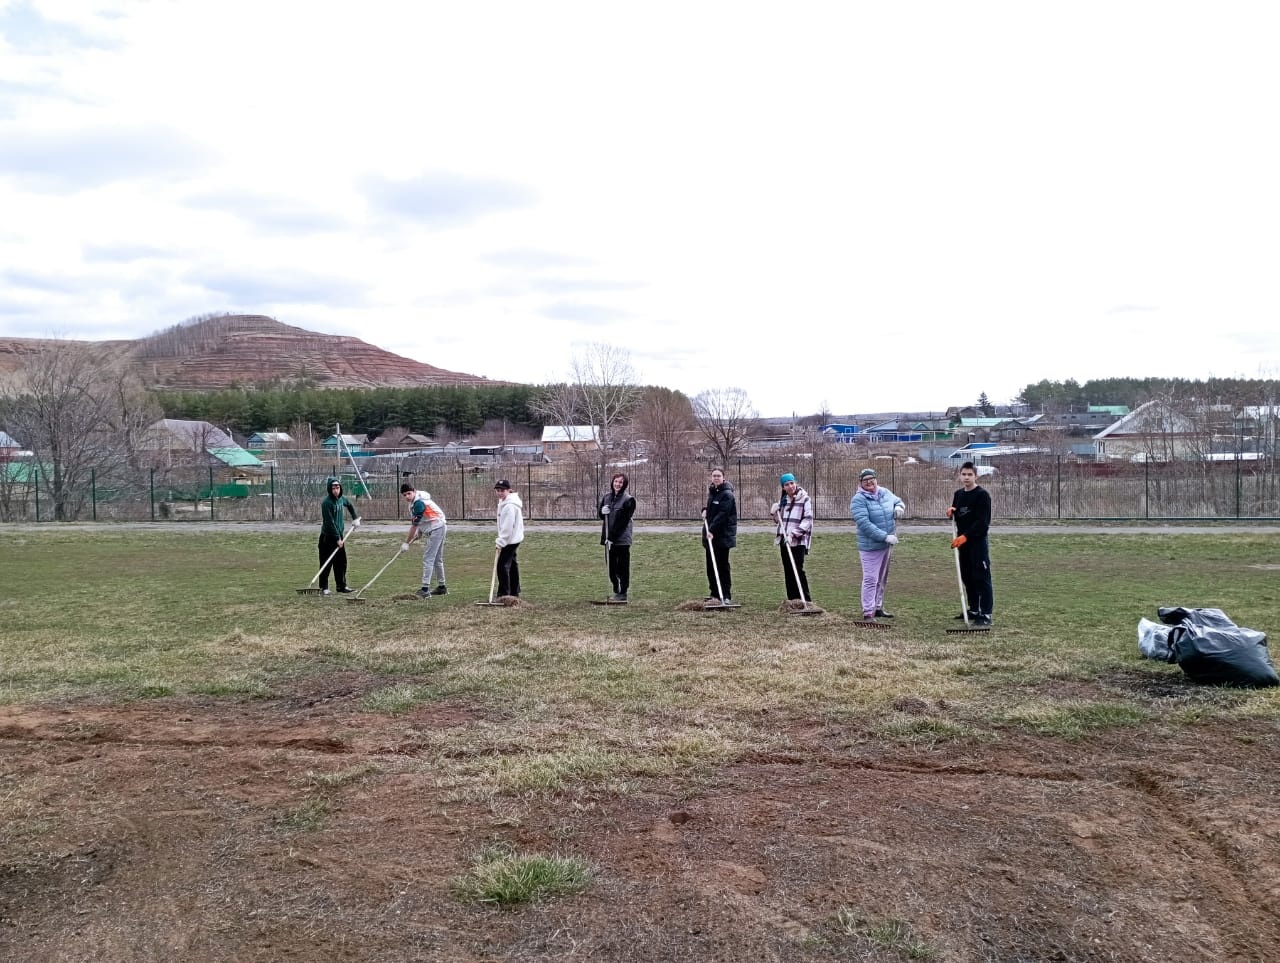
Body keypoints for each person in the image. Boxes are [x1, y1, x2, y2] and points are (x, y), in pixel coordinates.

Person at [849, 467, 906, 621]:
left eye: (871, 479)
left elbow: (898, 500)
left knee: (882, 578)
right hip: (870, 547)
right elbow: (864, 524)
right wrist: (885, 537)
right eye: (865, 480)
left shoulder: (884, 492)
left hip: (886, 545)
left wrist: (899, 507)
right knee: (870, 579)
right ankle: (868, 612)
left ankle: (878, 607)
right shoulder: (858, 500)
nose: (869, 482)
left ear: (876, 479)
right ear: (861, 483)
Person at [948, 461, 994, 626]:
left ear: (976, 476)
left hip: (977, 543)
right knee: (967, 576)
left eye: (970, 474)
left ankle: (986, 614)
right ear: (960, 476)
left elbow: (982, 522)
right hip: (963, 544)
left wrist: (966, 536)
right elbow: (959, 514)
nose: (966, 477)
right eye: (964, 474)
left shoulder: (982, 495)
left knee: (981, 577)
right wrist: (952, 513)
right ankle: (974, 609)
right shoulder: (958, 494)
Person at [772, 472, 813, 602]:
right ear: (783, 487)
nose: (790, 486)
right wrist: (774, 513)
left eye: (792, 483)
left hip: (798, 540)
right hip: (784, 540)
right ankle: (793, 600)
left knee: (798, 569)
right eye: (786, 484)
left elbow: (808, 520)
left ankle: (805, 600)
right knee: (788, 570)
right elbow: (779, 521)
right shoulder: (784, 501)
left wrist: (793, 534)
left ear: (795, 483)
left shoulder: (805, 499)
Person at [401, 483, 447, 598]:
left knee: (428, 558)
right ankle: (442, 587)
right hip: (438, 526)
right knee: (436, 559)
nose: (407, 496)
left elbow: (414, 526)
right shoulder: (414, 502)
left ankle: (425, 590)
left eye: (409, 493)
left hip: (437, 528)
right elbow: (424, 519)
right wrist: (420, 532)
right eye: (404, 495)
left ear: (414, 491)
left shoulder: (419, 503)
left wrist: (406, 542)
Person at [701, 466, 737, 602]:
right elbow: (713, 509)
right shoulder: (713, 492)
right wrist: (705, 509)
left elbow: (722, 514)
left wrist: (711, 530)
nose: (716, 478)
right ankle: (715, 594)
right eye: (714, 476)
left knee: (722, 566)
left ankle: (725, 595)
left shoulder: (727, 494)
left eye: (718, 476)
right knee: (711, 566)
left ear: (723, 477)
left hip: (722, 536)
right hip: (711, 536)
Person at [318, 477, 360, 596]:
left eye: (337, 487)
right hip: (328, 537)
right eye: (333, 488)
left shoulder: (342, 499)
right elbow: (329, 523)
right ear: (329, 489)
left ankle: (341, 586)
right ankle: (324, 587)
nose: (336, 490)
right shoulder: (326, 503)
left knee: (341, 562)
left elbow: (350, 505)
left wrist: (355, 518)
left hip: (339, 536)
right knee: (326, 563)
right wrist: (337, 538)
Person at [599, 472, 637, 602]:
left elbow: (622, 522)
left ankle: (623, 592)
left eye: (620, 482)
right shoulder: (607, 497)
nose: (618, 484)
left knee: (622, 567)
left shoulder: (629, 500)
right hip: (608, 538)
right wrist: (601, 511)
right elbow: (601, 516)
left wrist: (612, 538)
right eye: (616, 481)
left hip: (621, 539)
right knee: (611, 568)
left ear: (624, 484)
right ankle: (616, 587)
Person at [494, 478, 525, 598]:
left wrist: (501, 542)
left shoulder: (509, 506)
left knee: (502, 566)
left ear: (508, 490)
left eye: (502, 490)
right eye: (498, 490)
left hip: (510, 540)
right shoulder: (505, 502)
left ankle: (504, 594)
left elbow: (507, 527)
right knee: (511, 564)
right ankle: (514, 592)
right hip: (514, 538)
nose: (499, 493)